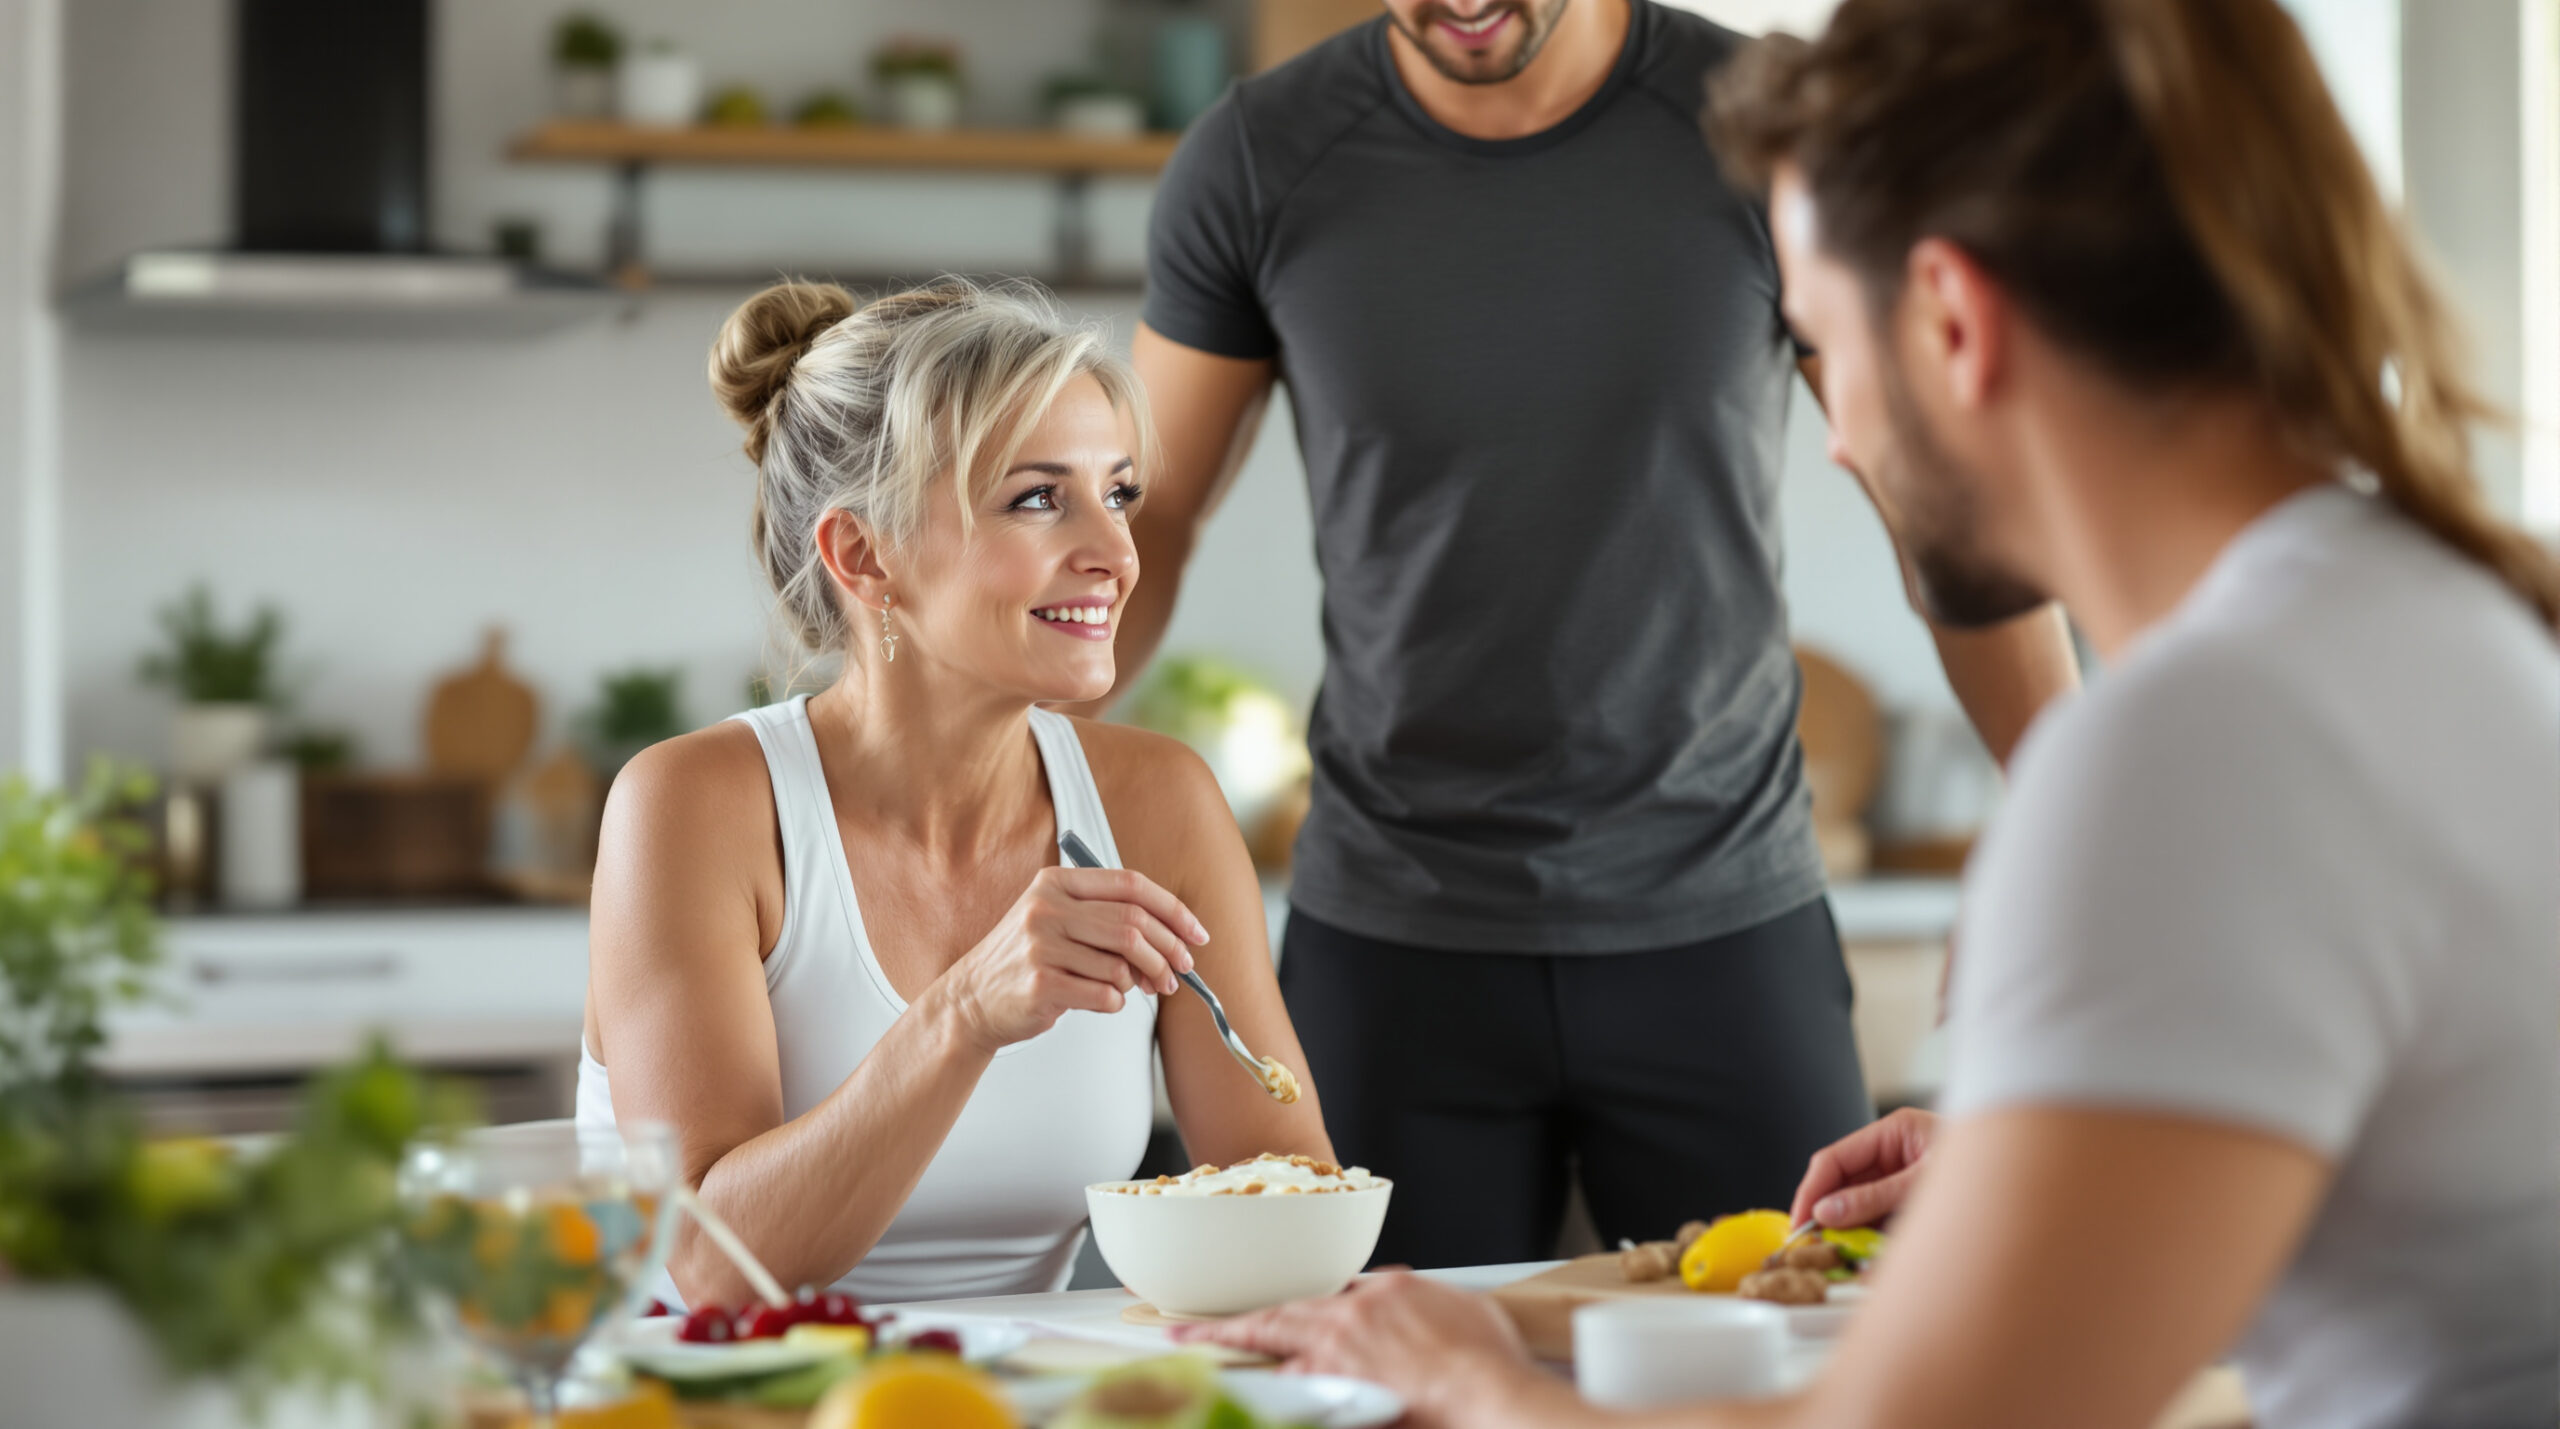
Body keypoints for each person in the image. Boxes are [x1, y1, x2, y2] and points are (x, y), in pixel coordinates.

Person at [1173, 1, 2560, 1425]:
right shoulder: (2453, 620)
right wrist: (2047, 1157)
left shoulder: (2179, 754)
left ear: (1952, 320)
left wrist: (1469, 1382)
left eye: (1830, 343)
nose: (1833, 438)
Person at [1116, 0, 2082, 1271]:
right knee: (1365, 1385)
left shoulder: (1773, 132)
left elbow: (1939, 505)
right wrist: (981, 778)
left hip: (1724, 920)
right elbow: (1148, 517)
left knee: (1802, 1358)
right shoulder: (1256, 158)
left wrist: (2071, 803)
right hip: (1394, 933)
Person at [577, 279, 1335, 1307]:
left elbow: (1283, 1195)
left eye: (1117, 492)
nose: (1115, 555)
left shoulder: (1159, 803)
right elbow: (712, 1267)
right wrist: (967, 1011)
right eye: (1036, 497)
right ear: (863, 554)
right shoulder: (694, 806)